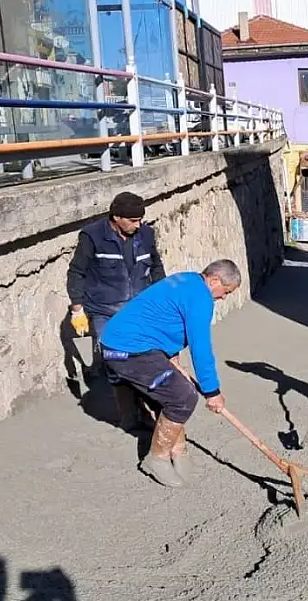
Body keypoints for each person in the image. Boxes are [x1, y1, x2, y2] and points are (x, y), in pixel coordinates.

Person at [98, 259, 241, 487]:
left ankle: (179, 451)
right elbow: (200, 346)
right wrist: (212, 391)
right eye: (226, 291)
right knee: (182, 397)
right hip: (127, 349)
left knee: (174, 389)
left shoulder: (187, 280)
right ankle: (157, 458)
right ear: (214, 280)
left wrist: (172, 356)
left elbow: (164, 318)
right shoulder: (201, 297)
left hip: (135, 343)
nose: (224, 298)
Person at [66, 192, 166, 430]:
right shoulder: (92, 236)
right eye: (132, 220)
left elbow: (156, 266)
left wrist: (162, 299)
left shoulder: (146, 234)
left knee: (144, 361)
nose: (138, 224)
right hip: (105, 311)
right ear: (116, 217)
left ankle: (148, 410)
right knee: (116, 362)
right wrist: (77, 309)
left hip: (140, 310)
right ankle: (128, 413)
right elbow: (76, 272)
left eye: (140, 219)